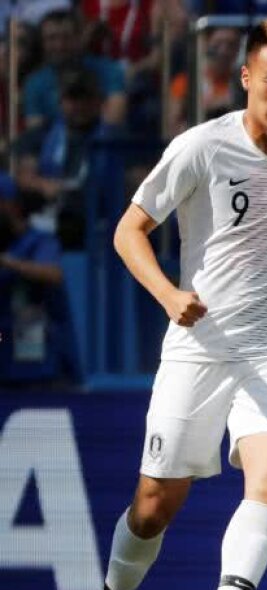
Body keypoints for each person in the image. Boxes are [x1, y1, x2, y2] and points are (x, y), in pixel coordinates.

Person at [74, 18, 267, 590]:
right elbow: (129, 230)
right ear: (246, 78)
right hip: (198, 348)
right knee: (153, 505)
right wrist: (170, 295)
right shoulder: (202, 147)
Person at [14, 67, 122, 250]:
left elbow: (135, 178)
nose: (80, 106)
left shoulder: (116, 138)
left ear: (99, 101)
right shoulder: (42, 134)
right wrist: (45, 185)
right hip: (50, 216)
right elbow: (24, 176)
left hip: (101, 219)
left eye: (86, 98)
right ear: (61, 101)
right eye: (73, 98)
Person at [0, 174, 75, 385]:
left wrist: (9, 263)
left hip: (37, 357)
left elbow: (53, 273)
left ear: (12, 206)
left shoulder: (39, 241)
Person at [21, 9, 126, 130]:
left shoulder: (108, 70)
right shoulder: (34, 83)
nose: (59, 45)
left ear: (79, 38)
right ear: (42, 43)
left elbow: (114, 121)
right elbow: (35, 131)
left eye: (66, 37)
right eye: (51, 38)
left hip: (101, 143)